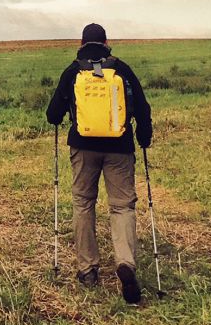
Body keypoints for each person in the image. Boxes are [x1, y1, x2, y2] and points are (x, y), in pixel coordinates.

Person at [46, 23, 152, 303]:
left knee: (83, 204)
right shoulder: (122, 69)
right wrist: (144, 136)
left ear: (81, 42)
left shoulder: (73, 71)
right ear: (106, 42)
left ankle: (88, 270)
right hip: (120, 148)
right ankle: (125, 263)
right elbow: (142, 107)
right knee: (122, 206)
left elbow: (53, 114)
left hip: (83, 148)